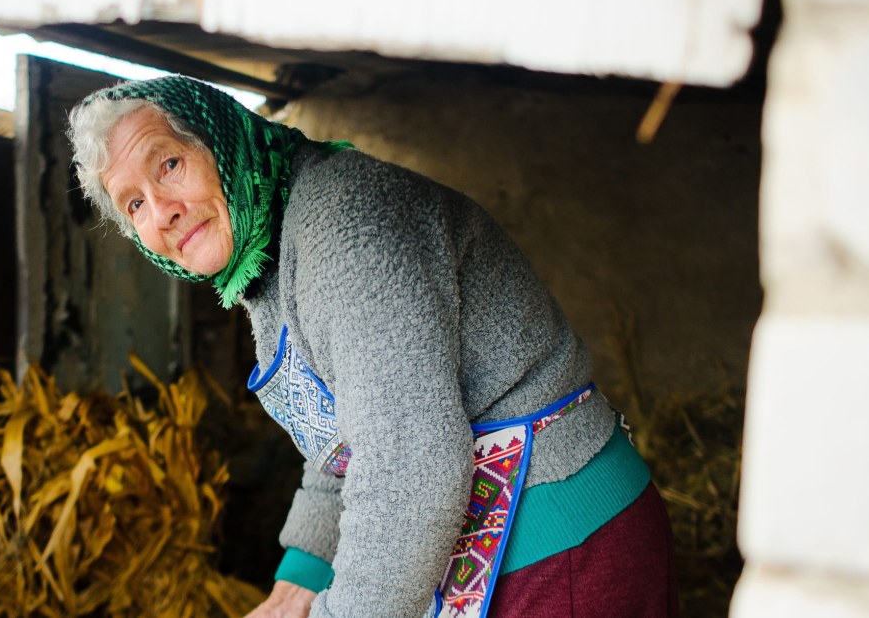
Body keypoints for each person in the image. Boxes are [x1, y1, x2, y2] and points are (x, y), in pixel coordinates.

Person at [67, 76, 678, 618]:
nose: (163, 213)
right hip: (487, 554)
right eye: (135, 204)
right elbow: (345, 440)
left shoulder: (341, 220)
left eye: (168, 164)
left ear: (220, 142)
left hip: (560, 549)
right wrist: (298, 584)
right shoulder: (265, 265)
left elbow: (407, 466)